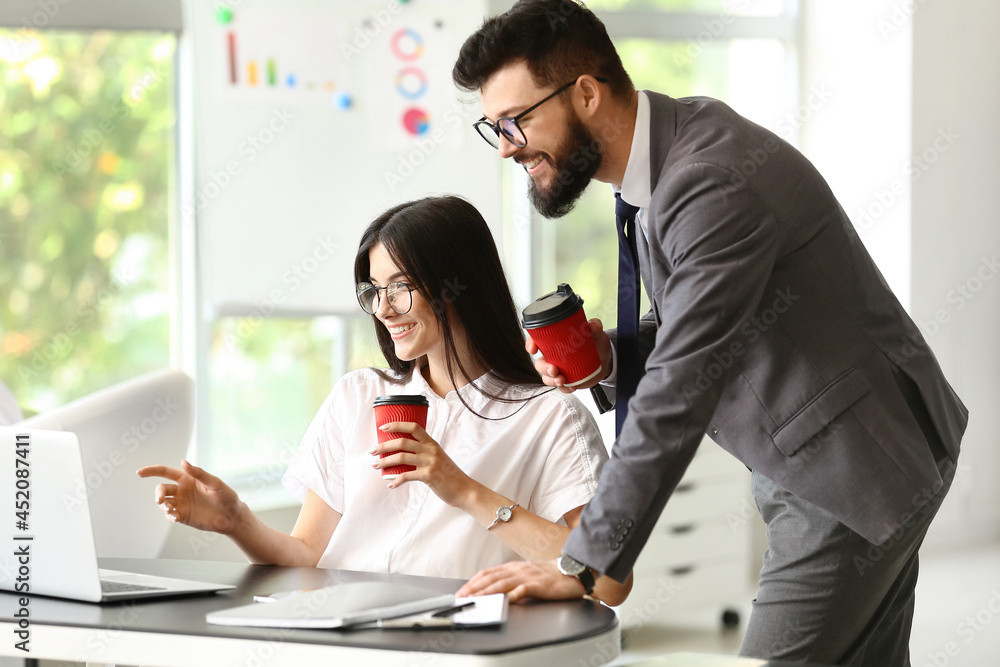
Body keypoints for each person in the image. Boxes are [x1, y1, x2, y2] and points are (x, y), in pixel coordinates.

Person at [451, 1, 968, 664]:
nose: (506, 147)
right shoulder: (666, 153)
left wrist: (585, 563)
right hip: (866, 446)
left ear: (585, 91)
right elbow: (711, 322)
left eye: (517, 121)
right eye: (492, 127)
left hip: (850, 474)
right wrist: (612, 355)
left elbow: (680, 387)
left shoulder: (707, 181)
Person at [138, 195, 631, 606]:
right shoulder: (359, 397)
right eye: (374, 290)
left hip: (452, 642)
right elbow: (308, 555)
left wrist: (462, 490)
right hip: (342, 640)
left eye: (400, 287)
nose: (384, 308)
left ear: (458, 286)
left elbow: (609, 580)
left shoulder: (548, 416)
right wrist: (235, 521)